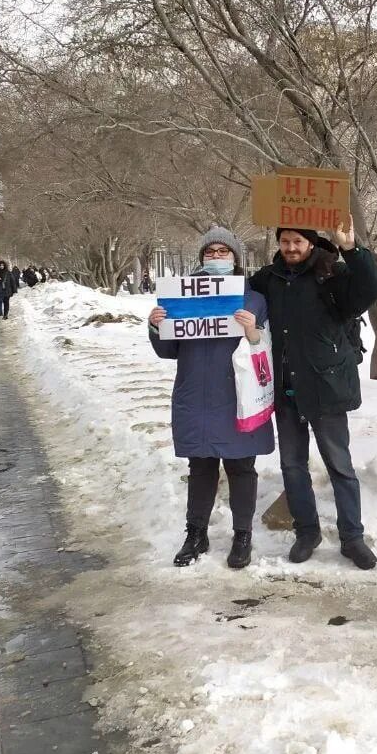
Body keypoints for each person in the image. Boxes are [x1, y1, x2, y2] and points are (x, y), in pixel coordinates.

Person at [248, 221, 377, 569]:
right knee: (293, 466)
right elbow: (236, 298)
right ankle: (306, 532)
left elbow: (370, 288)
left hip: (326, 387)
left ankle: (352, 537)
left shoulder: (331, 274)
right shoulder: (268, 279)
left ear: (310, 243)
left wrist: (352, 249)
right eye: (284, 241)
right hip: (286, 389)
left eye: (297, 241)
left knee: (340, 466)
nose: (290, 247)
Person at [148, 226, 275, 568]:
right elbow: (168, 349)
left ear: (236, 259)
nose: (217, 257)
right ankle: (196, 533)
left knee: (241, 466)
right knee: (201, 466)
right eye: (210, 252)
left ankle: (242, 535)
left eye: (224, 252)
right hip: (196, 394)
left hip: (237, 395)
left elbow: (263, 349)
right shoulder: (182, 297)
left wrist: (252, 331)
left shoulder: (254, 300)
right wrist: (156, 325)